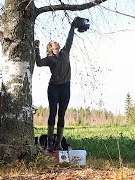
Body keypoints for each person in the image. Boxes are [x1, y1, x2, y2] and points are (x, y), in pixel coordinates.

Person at [35, 17, 82, 152]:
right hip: (54, 88)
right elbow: (38, 63)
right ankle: (49, 143)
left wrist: (72, 27)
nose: (57, 49)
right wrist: (36, 48)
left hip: (66, 87)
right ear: (50, 49)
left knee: (62, 114)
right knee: (52, 113)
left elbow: (70, 39)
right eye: (54, 48)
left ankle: (59, 144)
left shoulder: (65, 52)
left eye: (58, 47)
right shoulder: (49, 59)